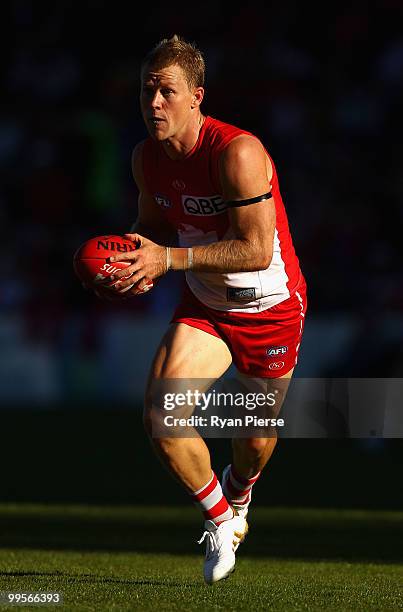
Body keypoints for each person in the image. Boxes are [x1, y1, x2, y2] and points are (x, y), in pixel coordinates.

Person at [98, 35, 307, 584]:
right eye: (148, 91)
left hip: (269, 305)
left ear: (197, 96)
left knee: (255, 440)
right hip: (206, 304)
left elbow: (256, 249)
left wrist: (166, 258)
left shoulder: (238, 151)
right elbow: (155, 227)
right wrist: (129, 257)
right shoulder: (146, 157)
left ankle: (240, 494)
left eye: (167, 91)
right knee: (162, 419)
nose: (155, 103)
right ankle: (220, 520)